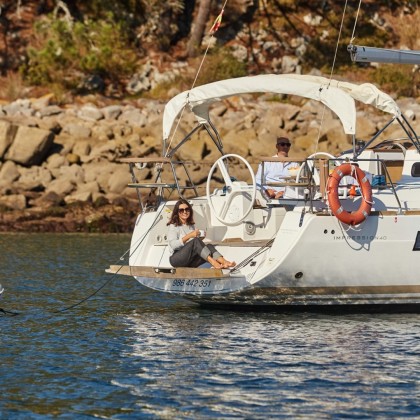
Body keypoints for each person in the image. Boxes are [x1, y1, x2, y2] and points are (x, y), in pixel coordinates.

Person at [167, 199, 236, 269]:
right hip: (176, 259)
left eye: (187, 209)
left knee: (209, 246)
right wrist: (190, 236)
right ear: (177, 212)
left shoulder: (191, 226)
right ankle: (214, 263)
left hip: (189, 260)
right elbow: (173, 245)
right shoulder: (174, 226)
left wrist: (201, 239)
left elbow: (193, 245)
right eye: (181, 210)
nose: (185, 212)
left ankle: (224, 262)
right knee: (196, 241)